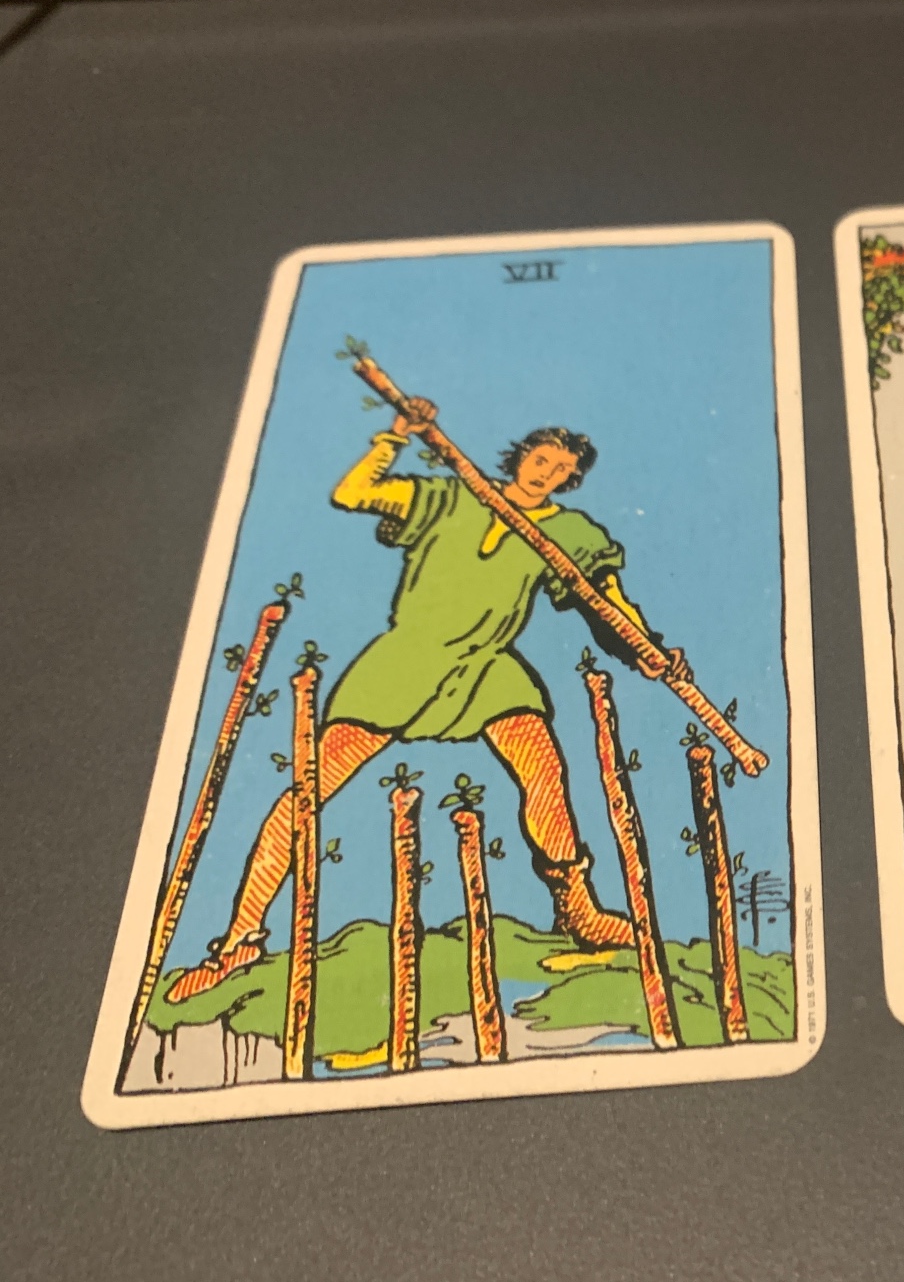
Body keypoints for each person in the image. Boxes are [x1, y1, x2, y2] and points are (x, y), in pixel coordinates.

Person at [167, 399, 679, 1002]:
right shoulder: (451, 496)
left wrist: (644, 647)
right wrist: (395, 437)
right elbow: (355, 493)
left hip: (487, 665)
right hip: (406, 660)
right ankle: (239, 941)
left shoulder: (570, 533)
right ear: (522, 457)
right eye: (541, 459)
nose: (546, 473)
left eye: (560, 469)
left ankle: (579, 912)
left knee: (542, 768)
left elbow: (607, 601)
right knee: (309, 789)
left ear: (570, 480)